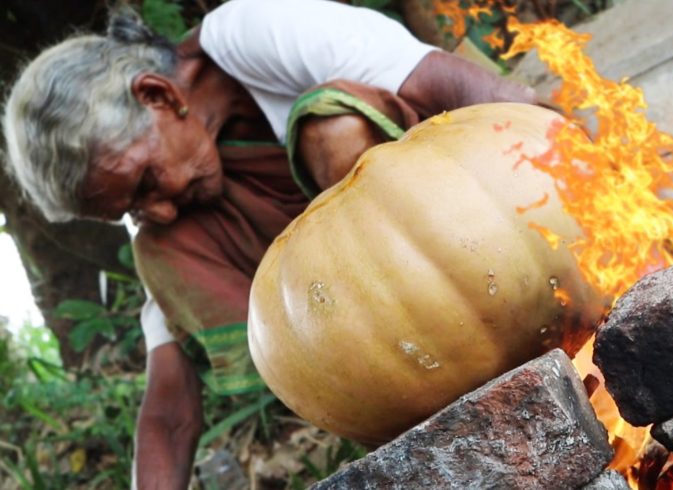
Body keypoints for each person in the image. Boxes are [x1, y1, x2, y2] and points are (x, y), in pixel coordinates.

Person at [3, 0, 542, 487]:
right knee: (158, 252)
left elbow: (457, 87)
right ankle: (426, 410)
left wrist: (571, 167)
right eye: (132, 210)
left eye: (145, 184)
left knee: (331, 126)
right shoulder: (175, 234)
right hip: (408, 366)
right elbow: (168, 413)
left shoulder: (250, 32)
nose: (158, 211)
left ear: (158, 95)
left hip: (487, 236)